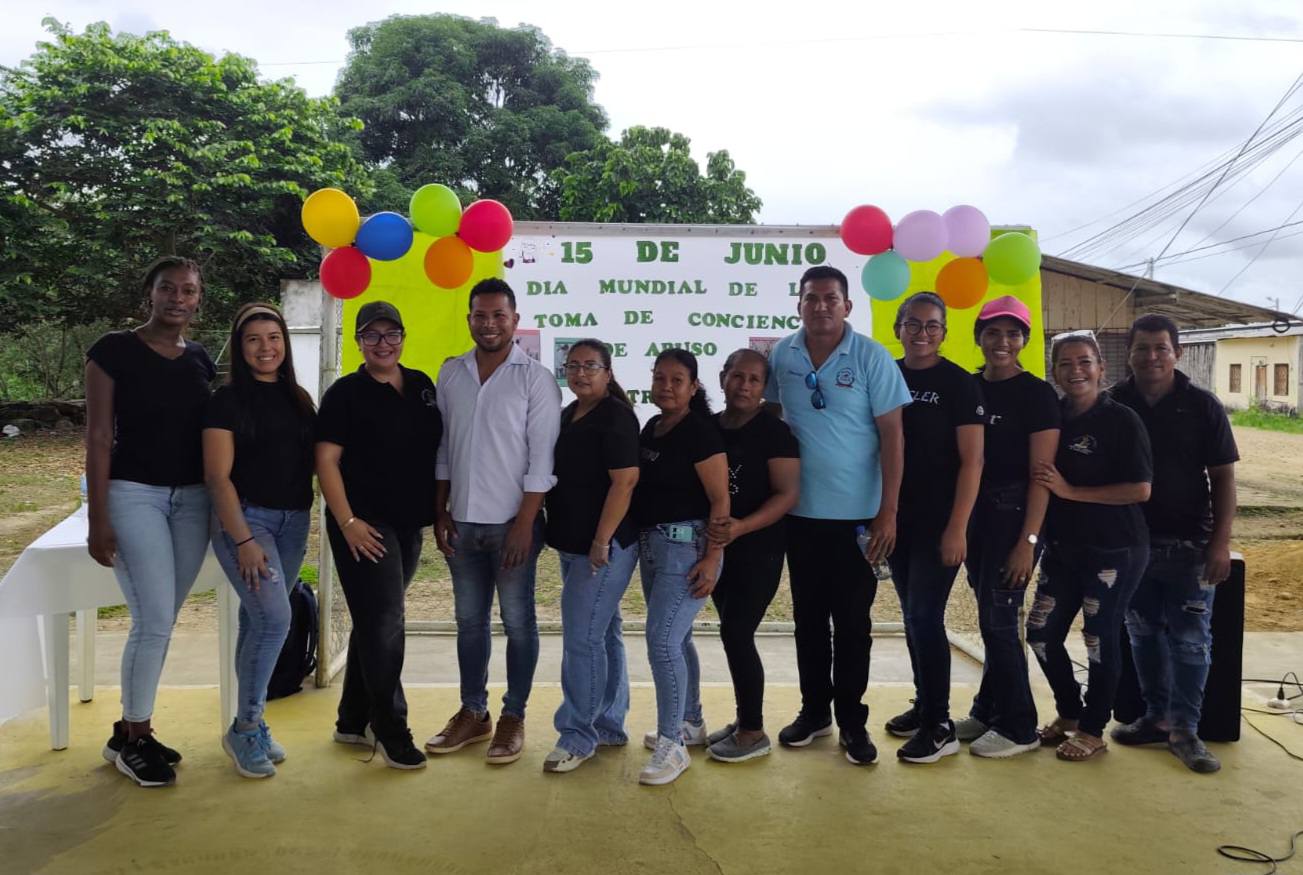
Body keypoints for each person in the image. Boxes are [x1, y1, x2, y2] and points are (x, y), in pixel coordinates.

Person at [763, 265, 911, 766]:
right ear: (799, 305)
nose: (821, 306)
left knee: (851, 625)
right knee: (808, 621)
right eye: (812, 298)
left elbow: (893, 436)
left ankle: (852, 720)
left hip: (858, 521)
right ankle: (814, 713)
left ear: (847, 306)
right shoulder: (782, 354)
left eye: (831, 298)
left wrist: (888, 511)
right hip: (800, 515)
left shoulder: (871, 357)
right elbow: (773, 421)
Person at [85, 256, 216, 787]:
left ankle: (127, 731)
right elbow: (98, 437)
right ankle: (137, 737)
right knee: (154, 620)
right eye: (168, 288)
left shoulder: (200, 358)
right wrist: (98, 518)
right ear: (150, 293)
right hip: (133, 494)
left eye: (188, 291)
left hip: (193, 501)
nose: (178, 299)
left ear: (198, 299)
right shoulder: (112, 350)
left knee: (159, 618)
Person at [427, 278, 561, 765]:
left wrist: (525, 523)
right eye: (480, 315)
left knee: (519, 623)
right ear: (469, 319)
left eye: (498, 315)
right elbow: (445, 448)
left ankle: (513, 716)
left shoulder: (536, 379)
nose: (489, 324)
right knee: (469, 623)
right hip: (461, 524)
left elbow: (542, 460)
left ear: (514, 320)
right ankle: (473, 712)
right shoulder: (451, 373)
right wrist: (440, 509)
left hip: (512, 526)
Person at [1110, 314, 1238, 773]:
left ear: (1177, 353)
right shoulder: (1113, 403)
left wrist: (1219, 544)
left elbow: (1223, 478)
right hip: (1132, 548)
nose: (1152, 357)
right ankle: (1156, 718)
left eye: (1161, 348)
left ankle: (1186, 730)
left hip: (1190, 548)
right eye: (1142, 348)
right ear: (1129, 354)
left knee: (1190, 642)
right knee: (1142, 634)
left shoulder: (1203, 406)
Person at [316, 301, 441, 770]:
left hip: (408, 523)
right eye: (372, 336)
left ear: (403, 338)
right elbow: (326, 461)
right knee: (386, 622)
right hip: (364, 526)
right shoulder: (345, 394)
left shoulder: (422, 386)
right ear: (358, 343)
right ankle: (391, 730)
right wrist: (348, 522)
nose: (383, 344)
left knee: (375, 621)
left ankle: (352, 719)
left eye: (391, 334)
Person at [1027, 333, 1153, 762]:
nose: (1075, 370)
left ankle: (1093, 729)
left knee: (1099, 636)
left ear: (1101, 367)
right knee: (1040, 634)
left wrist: (1072, 492)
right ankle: (1070, 712)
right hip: (1064, 548)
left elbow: (1140, 489)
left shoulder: (1121, 420)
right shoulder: (1053, 416)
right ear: (1054, 371)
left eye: (1084, 361)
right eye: (1065, 363)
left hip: (1115, 550)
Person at [204, 303, 316, 779]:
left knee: (257, 620)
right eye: (253, 339)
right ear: (239, 347)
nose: (265, 347)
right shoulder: (226, 401)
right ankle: (245, 728)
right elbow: (217, 478)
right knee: (274, 620)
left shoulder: (299, 398)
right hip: (248, 522)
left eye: (273, 337)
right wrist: (244, 539)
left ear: (284, 343)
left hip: (294, 523)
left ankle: (251, 720)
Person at [881, 293, 984, 764]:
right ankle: (925, 704)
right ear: (898, 329)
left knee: (925, 616)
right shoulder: (887, 376)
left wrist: (957, 527)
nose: (922, 333)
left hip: (941, 522)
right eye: (913, 324)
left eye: (932, 326)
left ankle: (940, 726)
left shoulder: (959, 383)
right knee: (911, 615)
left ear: (943, 333)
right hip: (896, 519)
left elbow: (972, 461)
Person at [956, 295, 1060, 758]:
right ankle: (988, 710)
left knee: (999, 620)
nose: (1003, 341)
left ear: (1024, 340)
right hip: (975, 518)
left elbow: (1042, 475)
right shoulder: (969, 386)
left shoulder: (1036, 395)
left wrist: (1028, 542)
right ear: (978, 337)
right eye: (993, 332)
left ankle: (1019, 727)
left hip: (1015, 518)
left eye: (1013, 333)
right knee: (989, 617)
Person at [541, 339, 641, 774]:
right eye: (573, 366)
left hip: (602, 548)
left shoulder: (615, 416)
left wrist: (601, 540)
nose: (580, 373)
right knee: (603, 632)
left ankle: (577, 736)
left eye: (590, 366)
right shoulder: (569, 414)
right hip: (573, 543)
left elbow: (625, 482)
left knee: (582, 638)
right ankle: (609, 723)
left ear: (608, 372)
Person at [632, 349, 730, 785]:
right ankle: (690, 722)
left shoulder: (701, 433)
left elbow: (720, 501)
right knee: (679, 637)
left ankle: (672, 746)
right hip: (653, 547)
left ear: (693, 387)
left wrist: (712, 558)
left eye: (677, 380)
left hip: (687, 549)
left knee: (662, 642)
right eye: (660, 378)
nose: (666, 386)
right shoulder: (652, 427)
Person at [700, 349, 800, 763]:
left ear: (764, 388)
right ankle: (744, 720)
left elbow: (787, 494)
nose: (744, 385)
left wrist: (742, 527)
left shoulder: (775, 433)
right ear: (723, 378)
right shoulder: (707, 426)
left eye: (754, 379)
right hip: (716, 549)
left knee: (737, 633)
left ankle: (754, 731)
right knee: (731, 631)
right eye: (737, 376)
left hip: (759, 549)